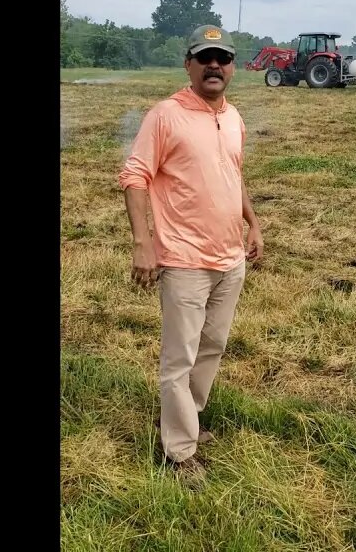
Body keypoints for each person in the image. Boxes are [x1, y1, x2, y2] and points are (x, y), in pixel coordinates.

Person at [118, 24, 263, 485]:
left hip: (230, 258)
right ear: (189, 65)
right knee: (179, 357)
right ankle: (179, 452)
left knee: (212, 346)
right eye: (205, 58)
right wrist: (144, 243)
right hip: (182, 259)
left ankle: (187, 421)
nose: (214, 65)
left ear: (233, 67)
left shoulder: (234, 117)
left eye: (223, 58)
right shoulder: (166, 115)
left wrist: (252, 222)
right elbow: (135, 175)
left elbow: (234, 174)